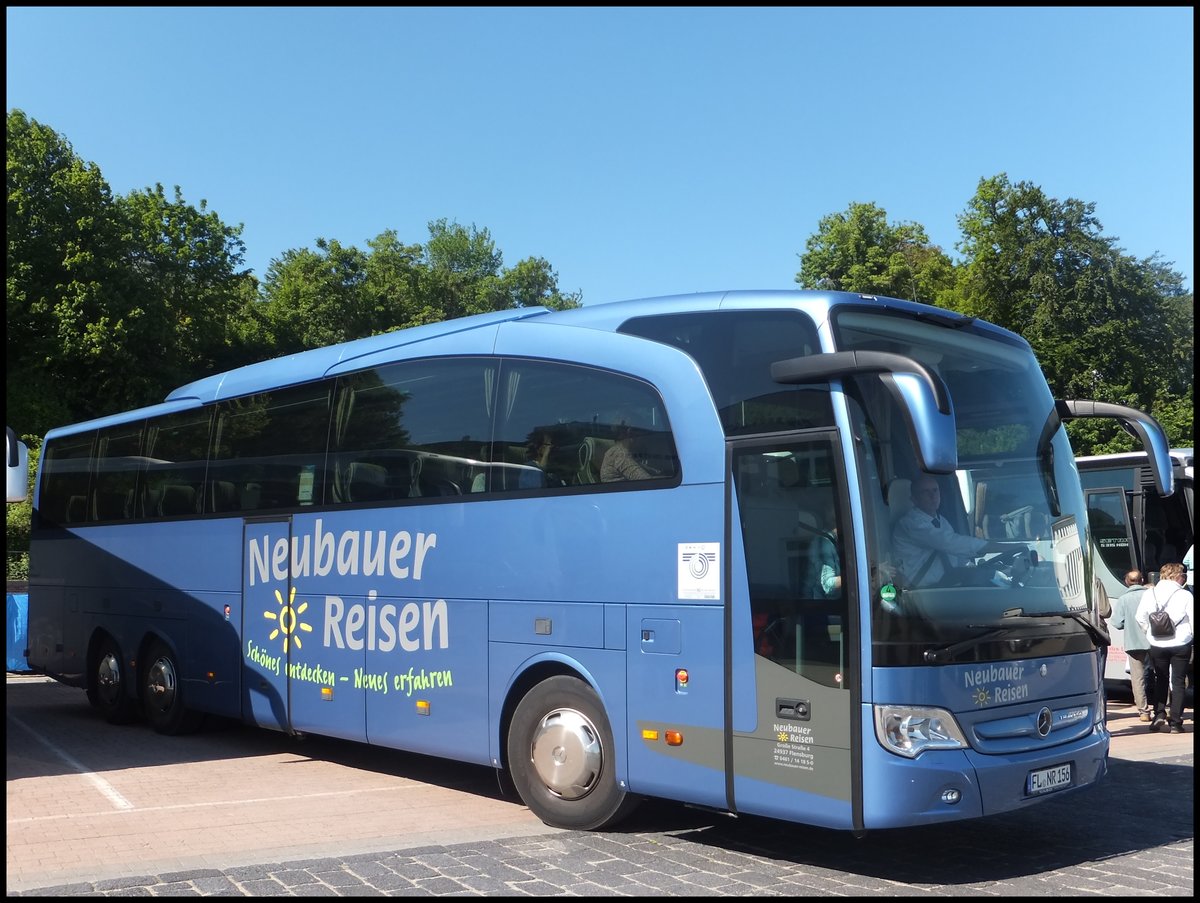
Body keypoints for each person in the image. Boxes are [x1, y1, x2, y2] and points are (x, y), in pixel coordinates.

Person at [893, 474, 1027, 587]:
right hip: (923, 590)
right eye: (925, 492)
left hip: (946, 586)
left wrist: (981, 566)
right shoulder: (910, 523)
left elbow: (957, 558)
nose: (932, 496)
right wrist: (1008, 548)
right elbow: (951, 543)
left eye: (935, 490)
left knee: (995, 577)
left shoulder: (941, 521)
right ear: (914, 499)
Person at [1134, 561, 1194, 734]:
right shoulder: (1185, 595)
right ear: (1177, 576)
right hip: (1181, 642)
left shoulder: (1150, 593)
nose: (1184, 578)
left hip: (1157, 643)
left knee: (1160, 678)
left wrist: (1149, 632)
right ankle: (1175, 722)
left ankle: (1158, 715)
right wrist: (1189, 635)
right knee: (1178, 681)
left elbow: (1140, 617)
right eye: (1183, 575)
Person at [1108, 569, 1154, 722]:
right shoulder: (1151, 595)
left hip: (1134, 643)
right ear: (1141, 580)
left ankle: (1144, 711)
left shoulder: (1123, 599)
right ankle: (1164, 708)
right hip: (1155, 642)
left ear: (1127, 582)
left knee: (1137, 678)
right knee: (1161, 674)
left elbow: (1116, 623)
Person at [806, 498, 842, 597]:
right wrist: (857, 575)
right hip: (822, 606)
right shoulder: (823, 543)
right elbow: (828, 585)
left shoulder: (838, 542)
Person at [600, 416, 653, 482]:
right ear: (630, 432)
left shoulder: (619, 452)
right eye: (641, 432)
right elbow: (647, 481)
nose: (644, 438)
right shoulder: (620, 454)